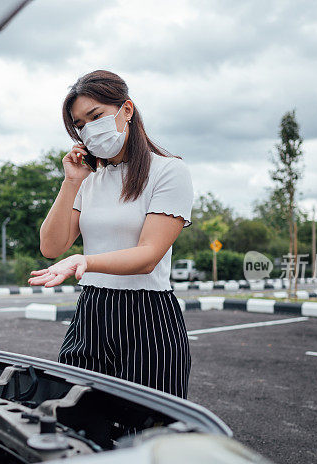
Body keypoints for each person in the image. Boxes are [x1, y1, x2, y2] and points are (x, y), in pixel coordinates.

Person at [29, 69, 194, 399]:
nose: (89, 130)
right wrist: (72, 181)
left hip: (147, 315)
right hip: (91, 309)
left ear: (127, 111)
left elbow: (148, 256)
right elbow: (51, 246)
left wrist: (84, 260)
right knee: (78, 422)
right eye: (79, 126)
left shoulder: (169, 170)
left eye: (96, 116)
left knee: (145, 431)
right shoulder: (89, 181)